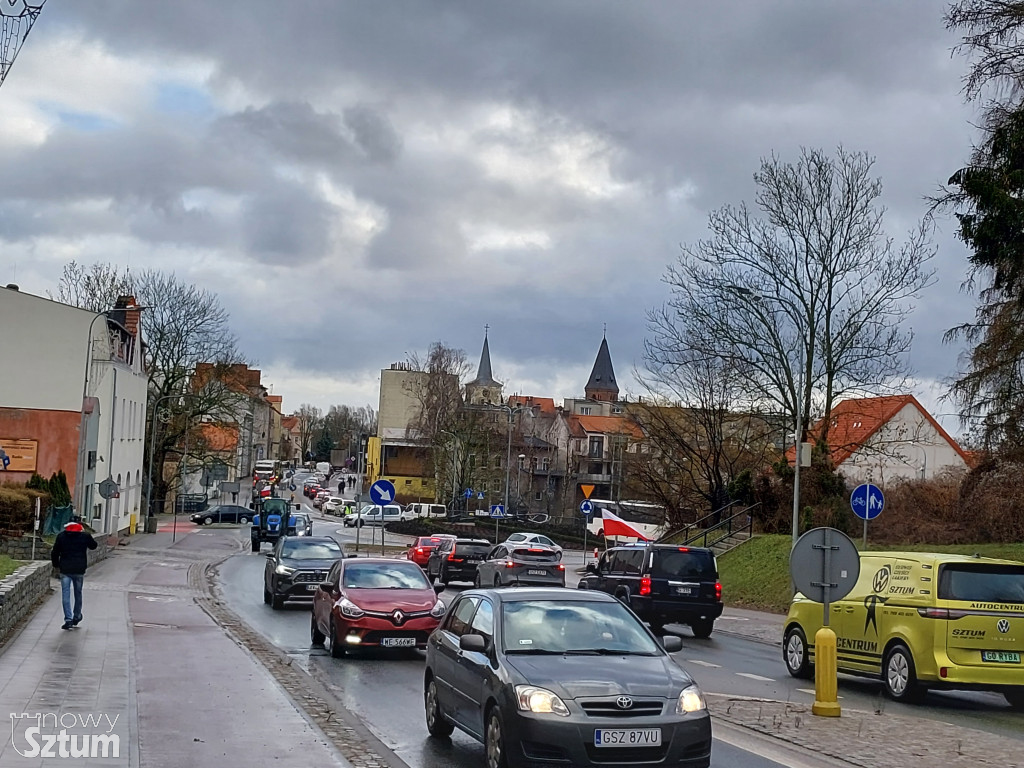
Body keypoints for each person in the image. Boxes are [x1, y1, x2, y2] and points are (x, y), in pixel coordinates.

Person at [50, 517, 98, 630]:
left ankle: (68, 619)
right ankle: (77, 616)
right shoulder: (84, 536)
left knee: (65, 594)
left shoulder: (61, 536)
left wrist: (56, 565)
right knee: (78, 593)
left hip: (65, 569)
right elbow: (94, 546)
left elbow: (55, 552)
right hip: (79, 569)